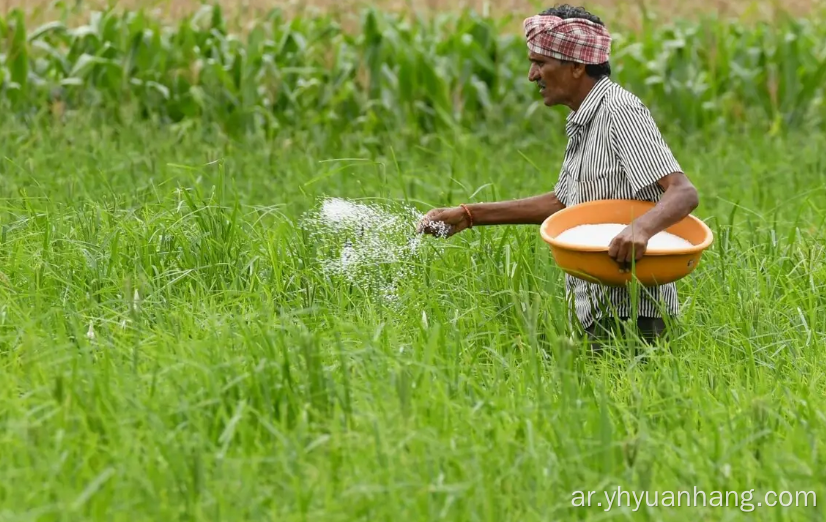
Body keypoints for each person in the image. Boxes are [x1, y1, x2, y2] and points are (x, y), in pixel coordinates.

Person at [417, 4, 700, 349]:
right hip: (597, 310)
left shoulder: (619, 111)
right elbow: (564, 205)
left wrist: (640, 228)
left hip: (635, 315)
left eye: (540, 63)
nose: (532, 75)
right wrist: (469, 215)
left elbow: (682, 192)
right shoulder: (584, 120)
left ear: (578, 66)